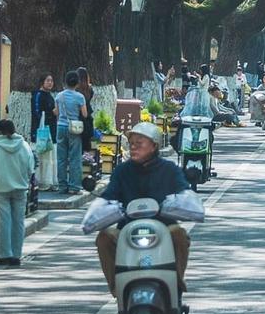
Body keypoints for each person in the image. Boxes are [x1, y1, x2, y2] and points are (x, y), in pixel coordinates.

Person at [84, 121, 203, 294]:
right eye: (131, 144)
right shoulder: (121, 171)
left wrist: (182, 201)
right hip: (126, 230)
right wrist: (102, 209)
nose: (133, 148)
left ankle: (176, 281)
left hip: (164, 227)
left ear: (154, 146)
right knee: (104, 238)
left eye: (139, 144)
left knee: (180, 235)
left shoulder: (169, 169)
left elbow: (182, 189)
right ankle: (117, 287)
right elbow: (110, 194)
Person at [0, 119, 33, 266]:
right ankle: (16, 255)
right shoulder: (24, 146)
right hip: (20, 188)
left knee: (4, 220)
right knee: (18, 221)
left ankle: (4, 254)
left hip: (0, 188)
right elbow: (30, 167)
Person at [54, 70, 88, 196]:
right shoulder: (80, 97)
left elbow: (56, 113)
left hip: (61, 127)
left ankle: (62, 186)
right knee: (75, 158)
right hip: (74, 128)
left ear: (65, 82)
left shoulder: (59, 96)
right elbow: (84, 114)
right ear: (77, 83)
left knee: (61, 158)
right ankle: (74, 186)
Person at [30, 73, 58, 190]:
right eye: (47, 80)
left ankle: (49, 181)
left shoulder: (49, 95)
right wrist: (52, 113)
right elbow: (37, 113)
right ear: (42, 82)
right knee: (41, 156)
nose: (50, 83)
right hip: (41, 131)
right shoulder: (38, 95)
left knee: (50, 156)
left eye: (51, 81)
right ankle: (39, 181)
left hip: (51, 130)